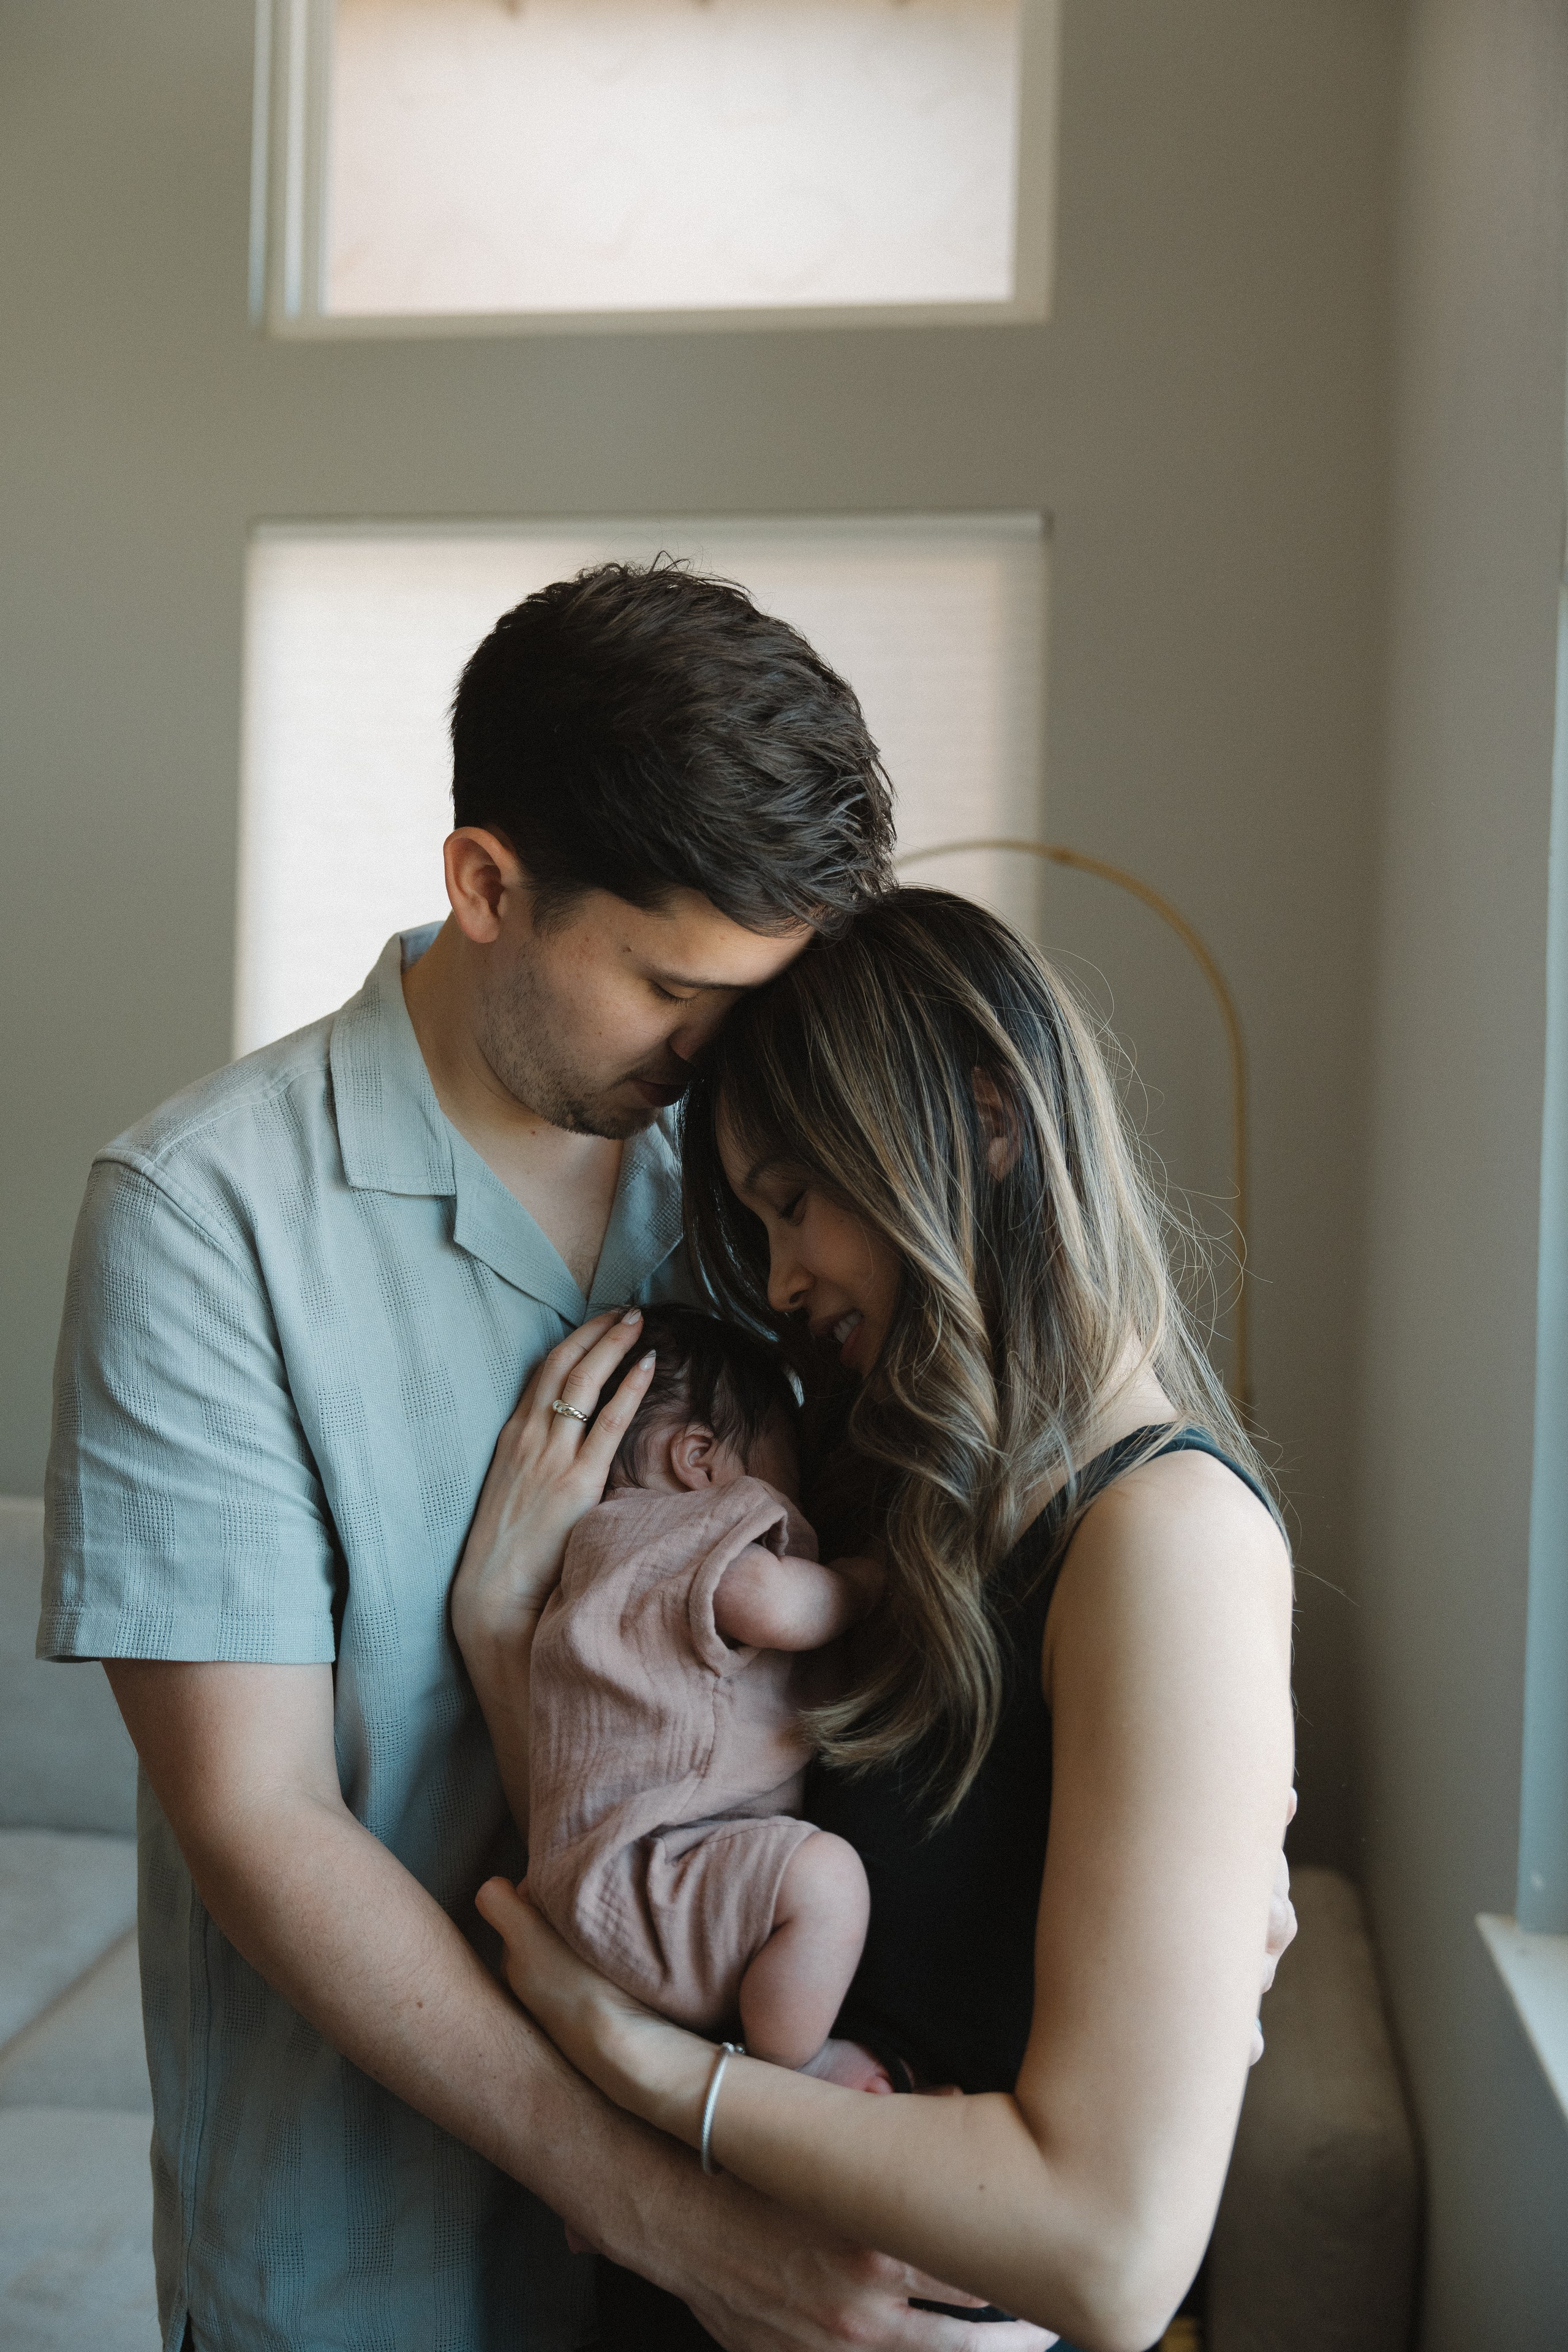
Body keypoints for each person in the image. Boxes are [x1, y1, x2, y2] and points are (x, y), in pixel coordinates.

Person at [42, 560, 1086, 2352]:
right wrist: (668, 2222)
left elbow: (971, 1561)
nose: (717, 1053)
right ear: (486, 884)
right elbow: (257, 1815)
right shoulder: (205, 1221)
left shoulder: (759, 1182)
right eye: (673, 985)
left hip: (769, 2205)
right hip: (367, 2264)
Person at [453, 889, 1298, 2351]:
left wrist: (654, 2074)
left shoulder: (1167, 1542)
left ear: (982, 1117)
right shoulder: (889, 1500)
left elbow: (1110, 2253)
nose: (778, 1280)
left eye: (793, 1200)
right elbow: (653, 1869)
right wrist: (499, 1626)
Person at [526, 1304, 884, 2073]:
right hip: (658, 1868)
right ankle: (793, 2066)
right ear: (701, 1458)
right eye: (786, 1471)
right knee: (827, 1883)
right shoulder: (693, 1524)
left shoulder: (591, 1553)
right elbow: (770, 1602)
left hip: (598, 1880)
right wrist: (861, 1584)